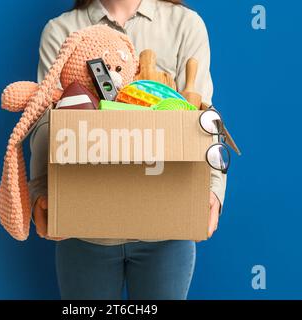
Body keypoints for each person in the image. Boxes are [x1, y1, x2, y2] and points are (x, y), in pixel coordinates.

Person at [29, 0, 226, 300]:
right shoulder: (62, 31)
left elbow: (203, 118)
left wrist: (213, 190)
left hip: (166, 230)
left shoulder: (186, 24)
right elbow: (45, 121)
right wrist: (40, 191)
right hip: (84, 231)